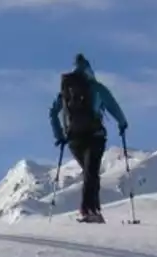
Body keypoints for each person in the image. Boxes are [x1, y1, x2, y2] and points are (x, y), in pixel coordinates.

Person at [49, 54, 128, 223]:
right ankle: (89, 210)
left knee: (89, 173)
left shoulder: (65, 91)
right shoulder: (96, 87)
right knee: (91, 172)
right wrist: (122, 124)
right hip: (94, 136)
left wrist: (60, 135)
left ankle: (94, 210)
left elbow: (52, 113)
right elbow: (112, 106)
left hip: (73, 139)